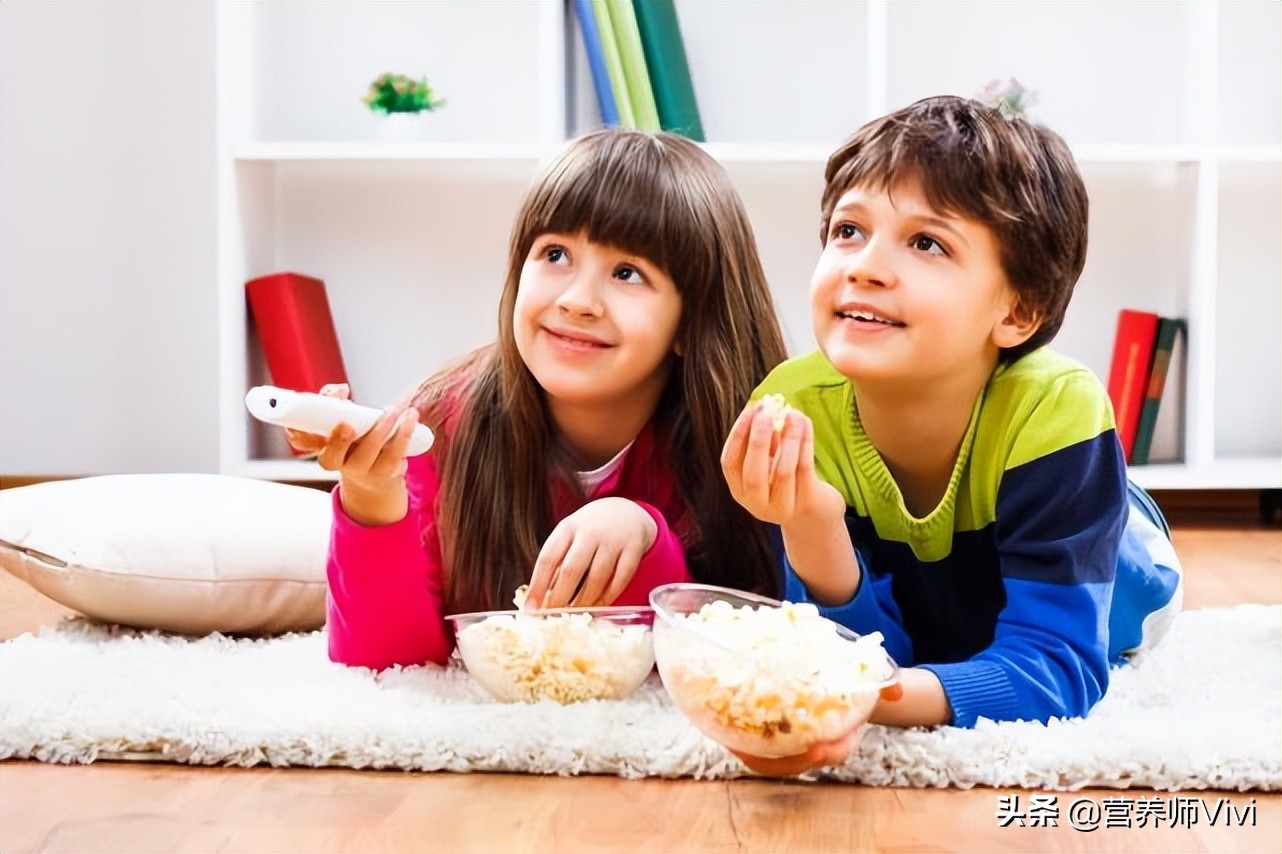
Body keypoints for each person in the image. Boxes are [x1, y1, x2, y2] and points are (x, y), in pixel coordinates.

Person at [720, 96, 1183, 775]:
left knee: (1112, 607)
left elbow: (1056, 668)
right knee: (945, 632)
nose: (865, 266)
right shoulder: (790, 407)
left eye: (926, 242)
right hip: (933, 580)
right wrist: (812, 523)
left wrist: (870, 698)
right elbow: (863, 648)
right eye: (849, 231)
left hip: (1111, 554)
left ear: (1019, 311)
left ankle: (1122, 510)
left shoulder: (1058, 411)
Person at [288, 128, 789, 670]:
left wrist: (643, 537)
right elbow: (393, 671)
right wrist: (371, 498)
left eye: (627, 273)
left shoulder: (739, 444)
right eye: (555, 254)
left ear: (691, 323)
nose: (577, 300)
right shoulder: (443, 423)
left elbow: (704, 668)